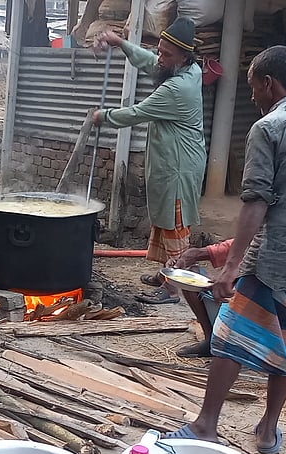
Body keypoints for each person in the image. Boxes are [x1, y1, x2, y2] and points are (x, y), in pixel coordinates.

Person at [163, 45, 286, 454]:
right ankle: (267, 430)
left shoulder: (269, 127)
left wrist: (232, 267)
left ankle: (205, 425)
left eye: (252, 88)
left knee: (227, 335)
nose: (252, 98)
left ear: (268, 82)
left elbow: (256, 201)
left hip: (275, 255)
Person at [91, 18, 206, 305]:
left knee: (175, 227)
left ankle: (172, 290)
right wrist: (120, 43)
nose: (160, 57)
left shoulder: (178, 89)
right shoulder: (188, 68)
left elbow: (136, 113)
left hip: (179, 167)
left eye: (166, 54)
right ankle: (166, 274)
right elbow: (150, 61)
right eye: (160, 50)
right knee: (165, 220)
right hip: (173, 162)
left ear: (182, 56)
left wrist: (102, 116)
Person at [172, 239, 233, 357]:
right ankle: (210, 340)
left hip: (254, 308)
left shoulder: (272, 248)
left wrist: (231, 284)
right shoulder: (246, 242)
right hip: (227, 301)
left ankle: (232, 350)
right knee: (191, 274)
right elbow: (199, 253)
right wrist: (181, 260)